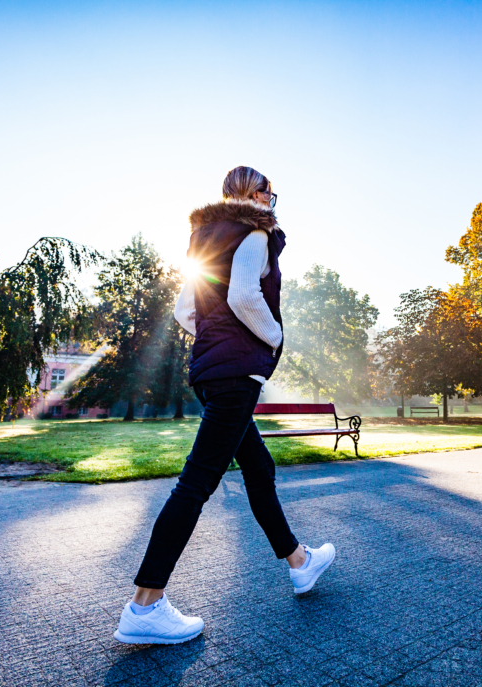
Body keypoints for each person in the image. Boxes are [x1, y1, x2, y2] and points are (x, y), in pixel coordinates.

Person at [114, 166, 336, 645]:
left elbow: (183, 312)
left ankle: (299, 562)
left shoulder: (205, 239)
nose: (273, 203)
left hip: (212, 374)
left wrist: (217, 344)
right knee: (195, 484)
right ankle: (144, 606)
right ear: (255, 196)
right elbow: (243, 295)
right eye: (270, 194)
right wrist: (272, 339)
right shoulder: (255, 230)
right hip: (237, 376)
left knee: (259, 469)